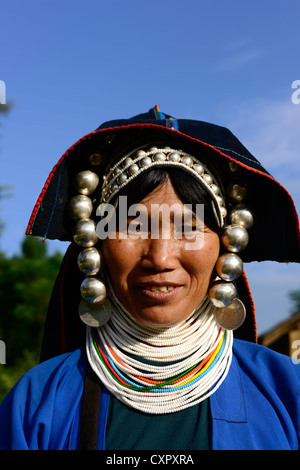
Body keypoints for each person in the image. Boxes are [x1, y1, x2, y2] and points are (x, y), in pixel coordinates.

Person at [0, 105, 300, 450]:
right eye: (133, 225)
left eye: (188, 226)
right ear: (97, 243)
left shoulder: (287, 392)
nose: (160, 258)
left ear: (225, 246)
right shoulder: (37, 404)